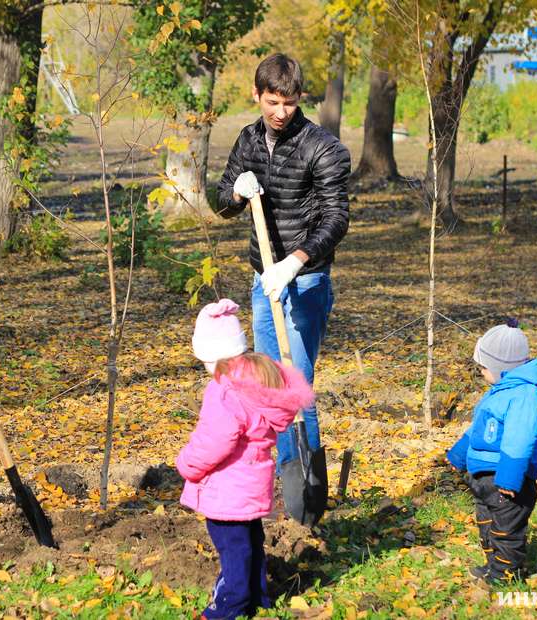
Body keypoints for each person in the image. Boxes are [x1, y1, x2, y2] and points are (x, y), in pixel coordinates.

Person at [215, 53, 350, 520]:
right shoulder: (248, 140)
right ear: (257, 96)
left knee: (296, 384)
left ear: (300, 100)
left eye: (289, 103)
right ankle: (280, 483)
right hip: (261, 281)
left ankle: (308, 503)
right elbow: (220, 200)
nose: (280, 112)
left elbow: (337, 218)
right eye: (272, 101)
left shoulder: (323, 147)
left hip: (305, 281)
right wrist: (236, 191)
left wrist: (295, 262)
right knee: (268, 387)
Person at [177, 299, 315, 618]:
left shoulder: (225, 391)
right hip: (251, 484)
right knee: (251, 543)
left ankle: (228, 606)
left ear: (211, 357)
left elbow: (215, 441)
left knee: (233, 550)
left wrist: (187, 464)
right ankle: (258, 599)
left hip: (227, 490)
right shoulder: (257, 382)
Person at [446, 319, 537, 584]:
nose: (481, 372)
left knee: (506, 532)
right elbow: (478, 429)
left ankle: (505, 576)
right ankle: (492, 567)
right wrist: (458, 455)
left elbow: (520, 439)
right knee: (487, 526)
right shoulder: (499, 391)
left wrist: (510, 478)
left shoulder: (525, 396)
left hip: (505, 482)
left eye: (484, 367)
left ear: (501, 367)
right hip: (484, 480)